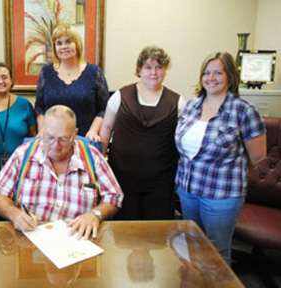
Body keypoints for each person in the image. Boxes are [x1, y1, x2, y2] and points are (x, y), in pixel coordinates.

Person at [175, 52, 267, 265]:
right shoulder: (191, 106)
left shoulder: (243, 111)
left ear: (230, 77)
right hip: (188, 190)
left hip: (221, 195)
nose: (211, 78)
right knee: (192, 245)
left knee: (216, 253)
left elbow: (258, 156)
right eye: (207, 73)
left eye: (218, 72)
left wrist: (228, 168)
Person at [0, 105, 123, 239]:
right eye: (49, 138)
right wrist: (14, 214)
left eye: (63, 139)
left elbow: (114, 196)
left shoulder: (92, 157)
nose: (55, 145)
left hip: (77, 239)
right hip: (31, 239)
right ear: (41, 131)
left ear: (75, 134)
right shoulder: (23, 154)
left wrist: (95, 214)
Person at [100, 46, 186, 220]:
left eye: (159, 67)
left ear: (165, 70)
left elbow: (183, 142)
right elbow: (106, 128)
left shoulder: (178, 102)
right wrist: (99, 166)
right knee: (123, 234)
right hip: (122, 179)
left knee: (155, 235)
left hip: (160, 182)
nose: (154, 72)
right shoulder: (120, 96)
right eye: (148, 67)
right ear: (139, 70)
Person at [35, 24, 109, 141]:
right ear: (54, 47)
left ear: (77, 44)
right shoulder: (46, 73)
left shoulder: (94, 73)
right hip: (53, 142)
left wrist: (93, 131)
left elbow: (104, 109)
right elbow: (39, 108)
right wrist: (42, 130)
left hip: (85, 139)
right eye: (59, 43)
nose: (64, 46)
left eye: (68, 42)